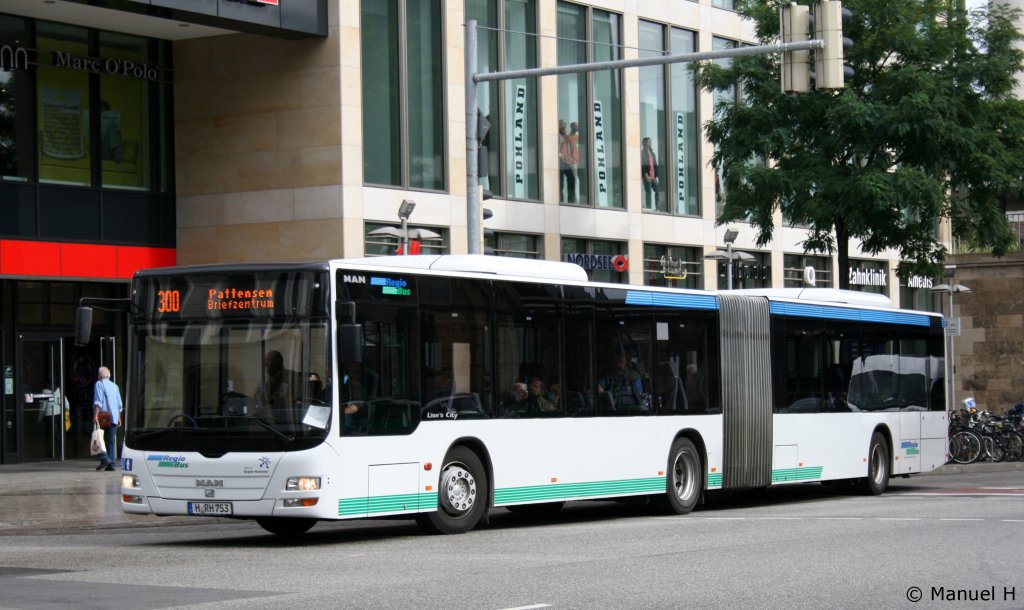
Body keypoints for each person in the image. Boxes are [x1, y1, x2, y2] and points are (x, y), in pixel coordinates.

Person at [93, 366, 123, 472]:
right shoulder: (115, 386)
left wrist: (95, 415)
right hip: (114, 417)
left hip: (103, 416)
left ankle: (105, 459)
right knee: (111, 441)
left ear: (99, 375)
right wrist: (119, 417)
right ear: (109, 376)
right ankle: (112, 465)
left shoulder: (99, 384)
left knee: (98, 438)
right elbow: (120, 404)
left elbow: (98, 401)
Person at [558, 119, 579, 203]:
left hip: (567, 161)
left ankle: (572, 200)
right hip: (559, 161)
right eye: (562, 124)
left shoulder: (566, 136)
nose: (564, 126)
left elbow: (571, 148)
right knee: (560, 182)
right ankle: (561, 200)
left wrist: (572, 158)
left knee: (572, 178)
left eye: (565, 125)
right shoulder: (556, 135)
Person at [641, 137, 659, 210]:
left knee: (658, 190)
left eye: (650, 142)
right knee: (648, 192)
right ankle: (649, 207)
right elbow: (642, 164)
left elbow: (655, 164)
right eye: (648, 142)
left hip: (653, 176)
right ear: (644, 144)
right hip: (647, 176)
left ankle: (657, 206)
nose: (649, 143)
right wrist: (645, 174)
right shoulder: (642, 153)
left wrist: (657, 175)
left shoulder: (653, 153)